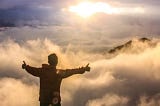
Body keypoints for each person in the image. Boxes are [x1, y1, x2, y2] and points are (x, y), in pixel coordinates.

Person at [22, 53, 90, 106]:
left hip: (44, 100)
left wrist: (26, 67)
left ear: (49, 61)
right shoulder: (59, 73)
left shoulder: (42, 71)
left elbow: (32, 70)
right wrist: (84, 69)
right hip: (55, 100)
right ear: (56, 62)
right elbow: (72, 71)